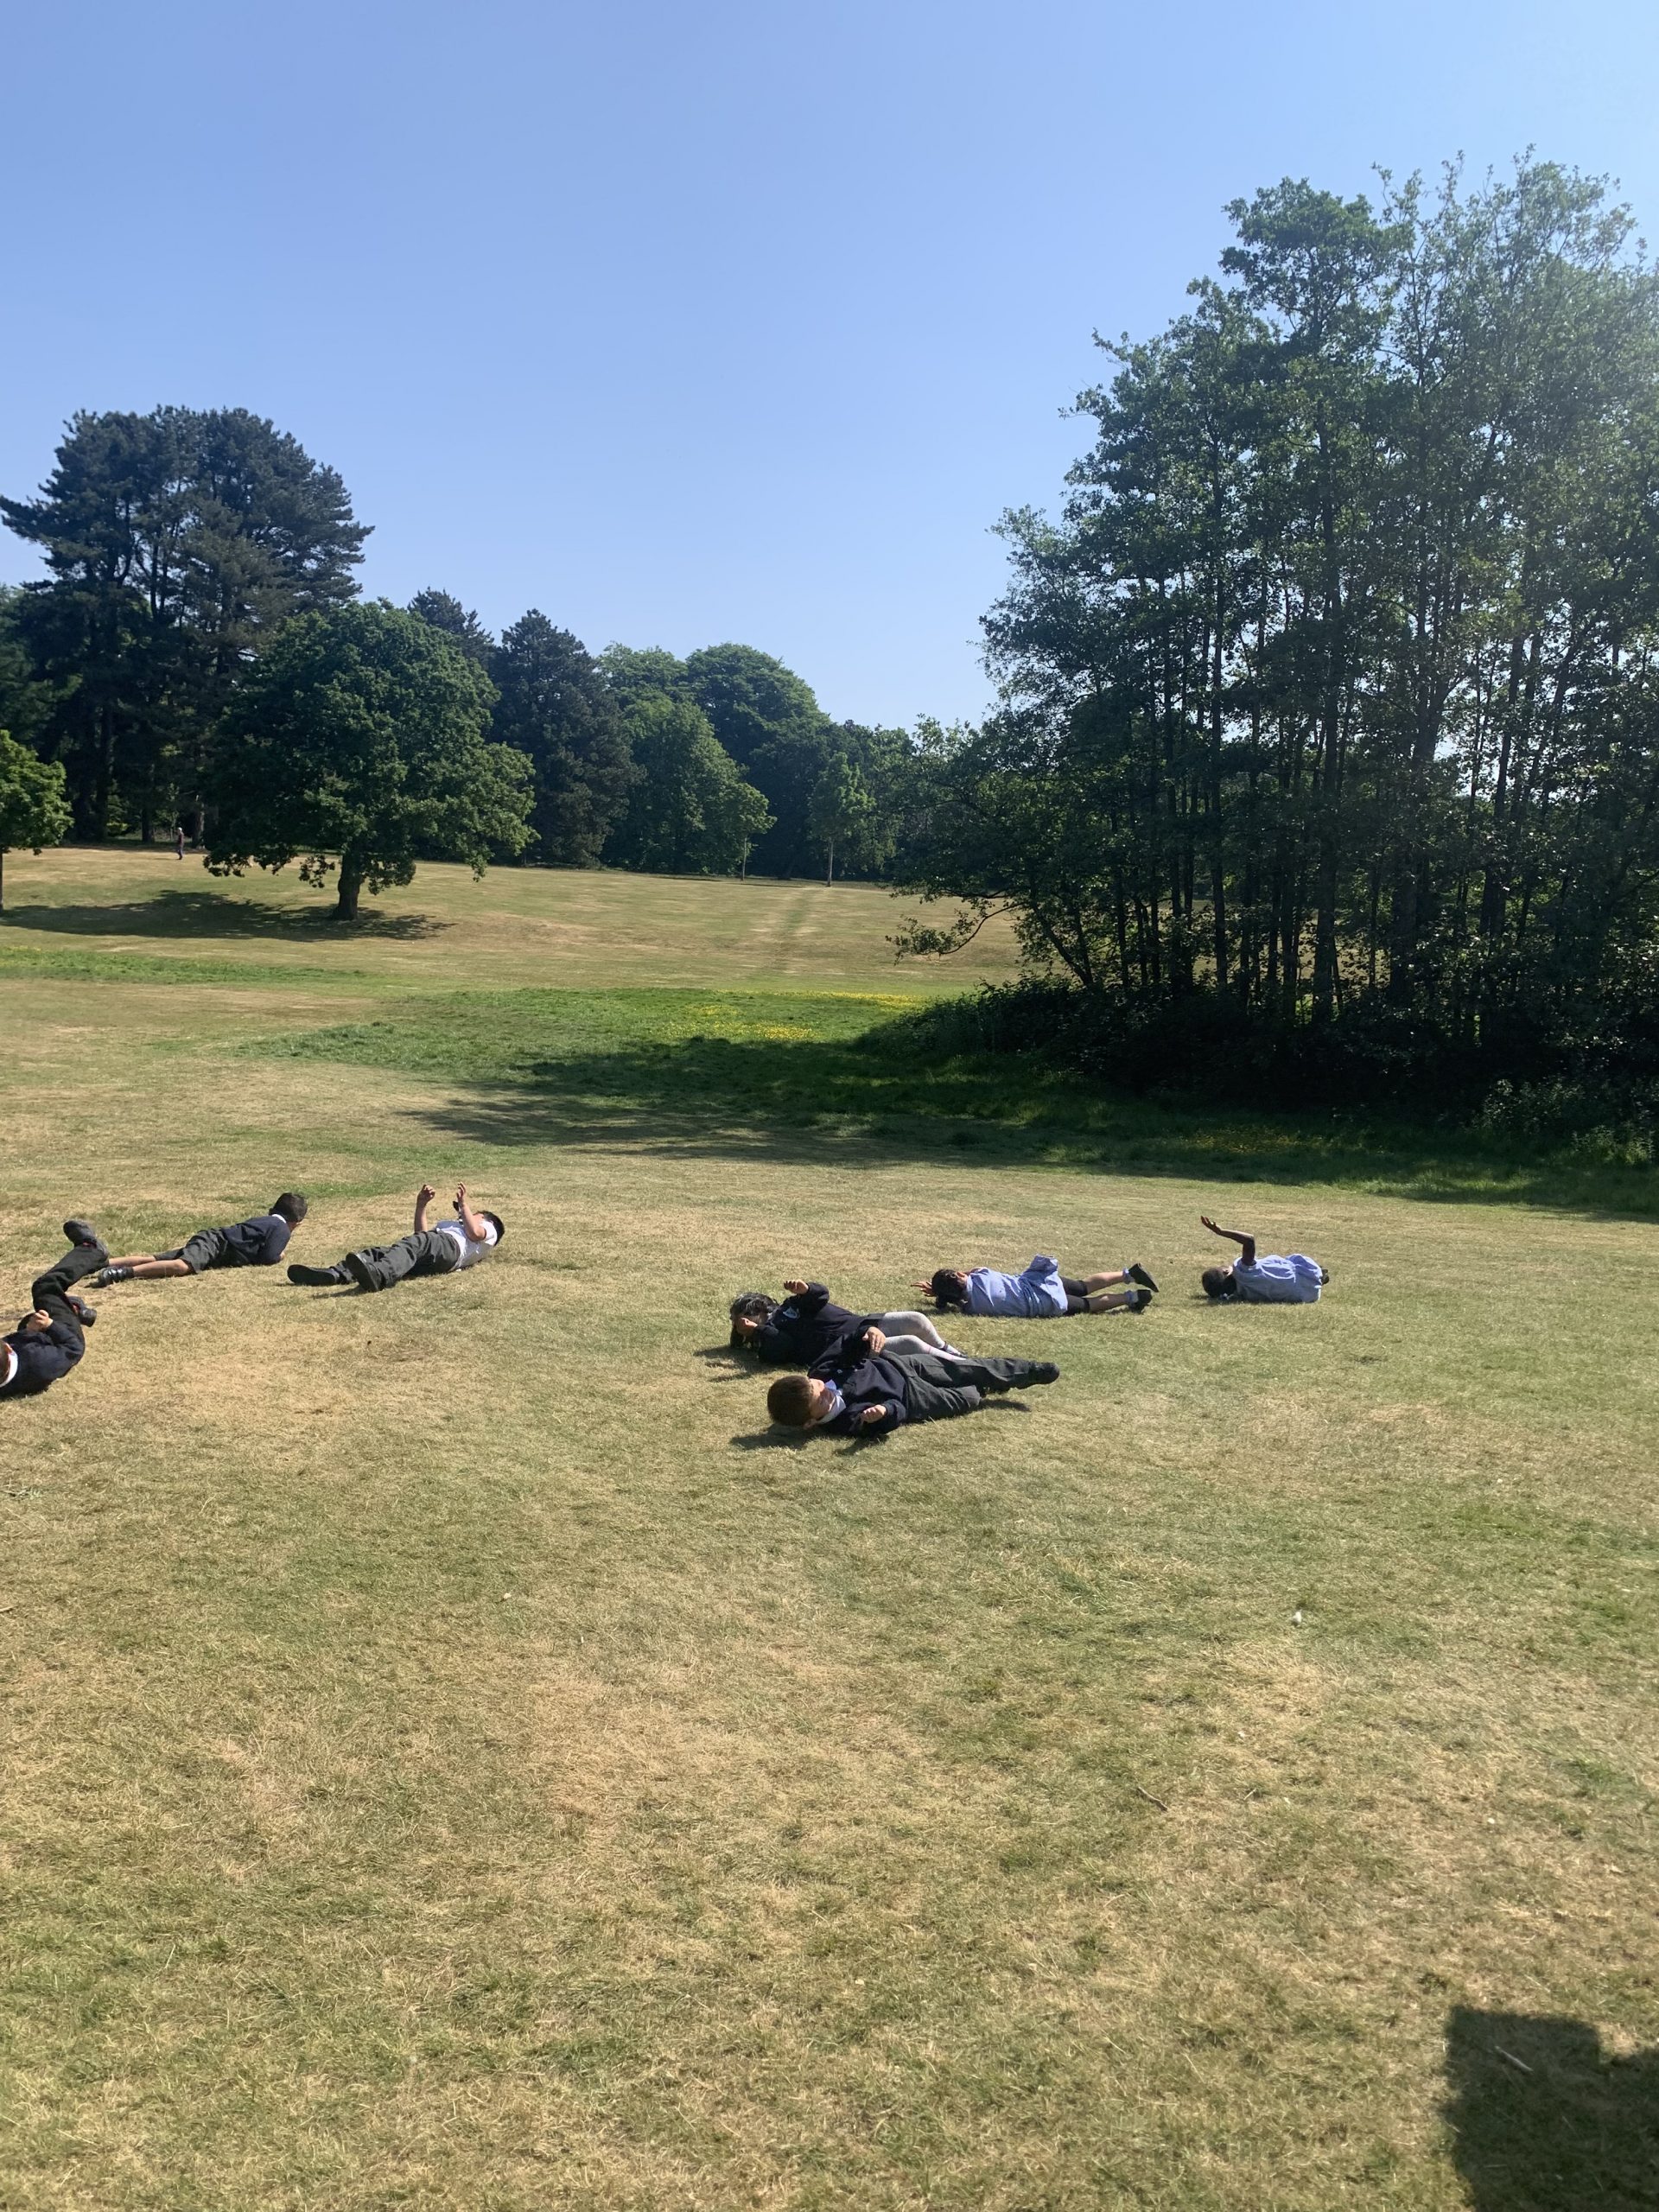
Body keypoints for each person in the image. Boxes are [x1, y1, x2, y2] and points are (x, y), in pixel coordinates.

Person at [766, 1324, 1061, 1438]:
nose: (824, 1390)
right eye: (820, 1400)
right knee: (968, 1398)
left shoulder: (822, 1371)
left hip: (900, 1366)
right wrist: (883, 1414)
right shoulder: (845, 1422)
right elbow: (895, 1414)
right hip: (914, 1398)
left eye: (817, 1386)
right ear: (811, 1422)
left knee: (966, 1368)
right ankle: (986, 1387)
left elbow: (846, 1347)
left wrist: (867, 1333)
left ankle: (1027, 1371)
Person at [288, 1182, 503, 1292]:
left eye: (471, 1214)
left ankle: (380, 1276)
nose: (461, 1215)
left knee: (413, 1245)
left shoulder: (489, 1229)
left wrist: (464, 1205)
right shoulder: (452, 1227)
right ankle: (335, 1274)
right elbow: (421, 1237)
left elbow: (474, 1233)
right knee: (381, 1252)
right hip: (437, 1257)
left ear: (484, 1217)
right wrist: (421, 1206)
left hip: (449, 1248)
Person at [729, 1279, 966, 1364]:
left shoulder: (790, 1304)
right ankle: (965, 1366)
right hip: (848, 1347)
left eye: (738, 1317)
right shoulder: (766, 1338)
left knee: (916, 1319)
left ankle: (955, 1354)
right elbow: (783, 1348)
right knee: (911, 1344)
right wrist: (758, 1332)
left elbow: (821, 1297)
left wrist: (808, 1289)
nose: (737, 1323)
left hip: (862, 1324)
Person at [94, 1194, 308, 1286]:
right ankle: (121, 1273)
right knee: (181, 1266)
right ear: (297, 1222)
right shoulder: (281, 1228)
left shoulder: (267, 1220)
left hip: (212, 1240)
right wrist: (280, 1255)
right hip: (215, 1245)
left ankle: (99, 1263)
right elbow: (269, 1257)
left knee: (156, 1259)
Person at [2, 1221, 106, 1400]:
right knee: (45, 1287)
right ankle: (91, 1250)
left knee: (29, 1320)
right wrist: (50, 1325)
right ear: (8, 1349)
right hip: (65, 1337)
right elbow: (73, 1348)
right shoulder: (41, 1362)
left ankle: (74, 1308)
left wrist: (28, 1332)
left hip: (34, 1341)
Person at [918, 1255, 1157, 1318]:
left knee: (1089, 1305)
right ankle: (1128, 1274)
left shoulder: (972, 1308)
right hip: (1040, 1282)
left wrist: (941, 1295)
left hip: (1043, 1303)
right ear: (960, 1274)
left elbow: (958, 1302)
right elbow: (971, 1273)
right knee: (1083, 1286)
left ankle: (1132, 1298)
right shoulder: (981, 1273)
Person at [1198, 1215, 1328, 1302]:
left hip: (1308, 1295)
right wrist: (1221, 1232)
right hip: (1306, 1273)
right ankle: (1320, 1274)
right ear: (1226, 1272)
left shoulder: (1239, 1294)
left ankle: (1319, 1277)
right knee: (1284, 1264)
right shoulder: (1243, 1271)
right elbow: (1249, 1240)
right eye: (1224, 1267)